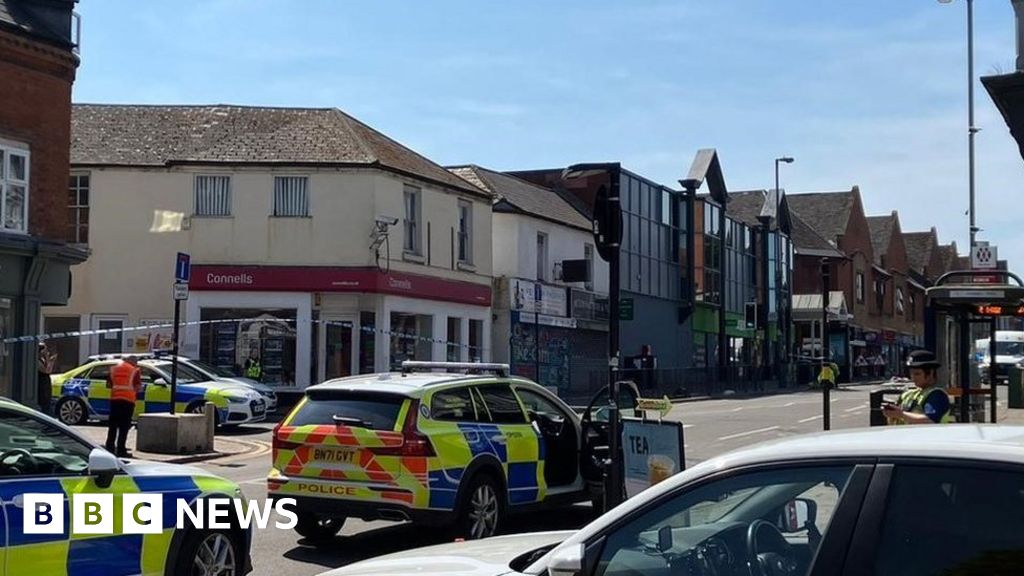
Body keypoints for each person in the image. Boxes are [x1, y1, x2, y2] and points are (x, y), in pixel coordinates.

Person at [882, 349, 953, 425]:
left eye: (917, 374)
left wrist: (901, 414)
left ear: (931, 373)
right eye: (911, 374)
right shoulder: (907, 394)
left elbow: (930, 420)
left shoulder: (937, 395)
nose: (913, 378)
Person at [106, 356, 142, 457]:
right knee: (124, 427)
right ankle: (121, 450)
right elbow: (138, 387)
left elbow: (108, 384)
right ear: (132, 362)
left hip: (115, 400)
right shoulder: (134, 371)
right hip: (128, 401)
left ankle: (109, 448)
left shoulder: (114, 369)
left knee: (112, 426)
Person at [37, 342, 57, 415]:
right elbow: (46, 370)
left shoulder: (43, 360)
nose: (47, 352)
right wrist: (49, 359)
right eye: (45, 350)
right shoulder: (37, 361)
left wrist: (49, 360)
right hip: (41, 388)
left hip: (46, 387)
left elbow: (49, 370)